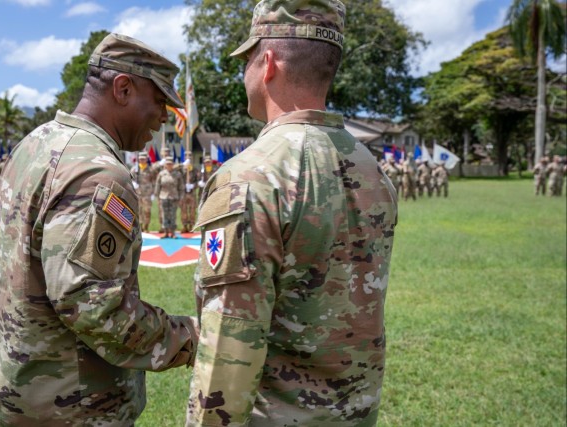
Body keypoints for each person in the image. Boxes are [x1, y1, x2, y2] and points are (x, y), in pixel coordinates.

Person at [186, 1, 398, 425]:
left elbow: (230, 348)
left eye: (247, 59)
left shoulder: (249, 178)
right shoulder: (373, 169)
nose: (243, 71)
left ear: (267, 65)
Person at [0, 33, 197, 426]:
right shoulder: (97, 173)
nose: (164, 117)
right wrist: (187, 337)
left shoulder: (36, 143)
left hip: (16, 388)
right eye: (160, 101)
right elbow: (93, 306)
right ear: (123, 88)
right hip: (70, 406)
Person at [154, 156, 183, 238]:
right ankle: (166, 232)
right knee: (164, 215)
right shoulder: (161, 174)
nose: (169, 165)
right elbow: (158, 185)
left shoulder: (177, 174)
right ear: (165, 165)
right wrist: (157, 197)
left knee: (173, 215)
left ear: (173, 164)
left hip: (174, 197)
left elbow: (181, 187)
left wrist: (180, 198)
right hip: (163, 197)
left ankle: (173, 233)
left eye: (170, 163)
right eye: (167, 164)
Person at [179, 150, 199, 233]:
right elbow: (177, 177)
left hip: (192, 193)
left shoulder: (195, 169)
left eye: (190, 156)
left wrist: (193, 185)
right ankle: (184, 226)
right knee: (183, 210)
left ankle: (191, 226)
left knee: (192, 210)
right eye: (186, 156)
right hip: (183, 193)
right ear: (184, 158)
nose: (188, 158)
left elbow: (199, 181)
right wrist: (183, 165)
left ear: (192, 158)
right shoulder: (181, 168)